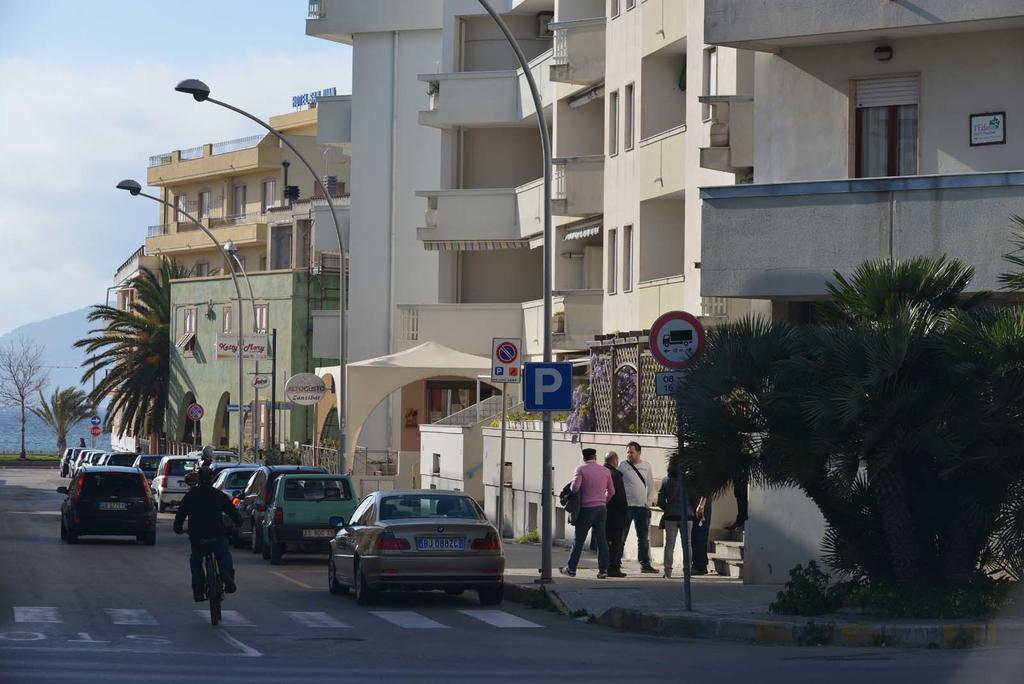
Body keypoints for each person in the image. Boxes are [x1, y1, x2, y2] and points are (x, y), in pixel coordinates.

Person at [173, 465, 242, 602]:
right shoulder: (218, 495)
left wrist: (178, 529)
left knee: (196, 561)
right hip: (217, 535)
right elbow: (233, 512)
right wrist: (237, 523)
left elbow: (180, 516)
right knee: (223, 554)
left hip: (197, 537)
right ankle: (226, 573)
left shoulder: (190, 495)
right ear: (211, 479)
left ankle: (199, 590)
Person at [560, 448, 615, 579]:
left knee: (579, 540)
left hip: (585, 509)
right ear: (595, 457)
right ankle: (603, 570)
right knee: (602, 541)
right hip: (601, 509)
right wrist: (603, 501)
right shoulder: (606, 471)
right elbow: (612, 491)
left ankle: (571, 569)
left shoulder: (581, 469)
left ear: (584, 458)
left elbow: (574, 488)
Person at [619, 441, 658, 573]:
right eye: (628, 452)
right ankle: (615, 563)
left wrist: (647, 503)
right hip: (627, 507)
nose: (629, 454)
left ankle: (645, 564)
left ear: (639, 452)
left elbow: (651, 487)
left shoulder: (646, 466)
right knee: (621, 537)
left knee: (643, 538)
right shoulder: (623, 466)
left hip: (642, 508)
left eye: (632, 452)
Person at [604, 451, 629, 577]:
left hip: (602, 511)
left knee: (604, 540)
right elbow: (619, 495)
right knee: (616, 542)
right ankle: (613, 567)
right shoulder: (615, 474)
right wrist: (625, 510)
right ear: (615, 461)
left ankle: (603, 567)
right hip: (615, 513)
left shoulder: (601, 472)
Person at [657, 471, 684, 579]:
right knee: (687, 544)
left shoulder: (666, 481)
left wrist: (667, 508)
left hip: (671, 516)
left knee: (669, 544)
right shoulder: (689, 481)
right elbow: (694, 498)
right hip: (686, 516)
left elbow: (660, 500)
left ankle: (668, 571)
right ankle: (687, 570)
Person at [690, 491, 712, 575]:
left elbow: (707, 488)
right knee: (695, 535)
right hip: (696, 504)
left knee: (699, 535)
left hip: (701, 505)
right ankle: (699, 564)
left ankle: (700, 566)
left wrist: (702, 504)